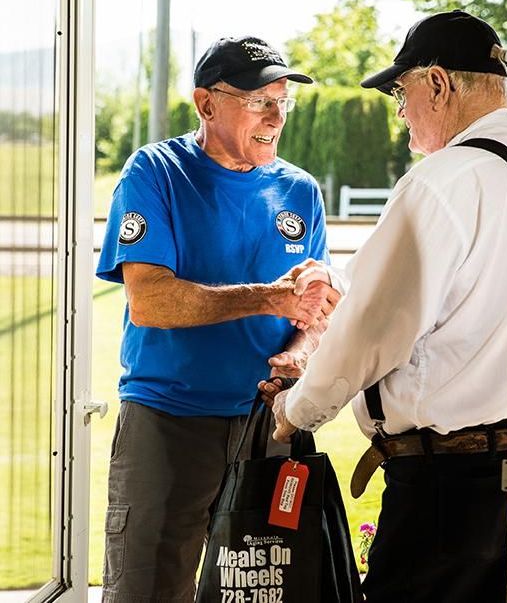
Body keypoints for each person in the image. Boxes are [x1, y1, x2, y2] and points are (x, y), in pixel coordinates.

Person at [260, 10, 507, 603]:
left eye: (401, 93)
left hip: (446, 492)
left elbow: (368, 334)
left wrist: (296, 411)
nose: (400, 114)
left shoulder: (441, 180)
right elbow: (473, 301)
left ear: (437, 84)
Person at [95, 35, 340, 602]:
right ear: (207, 103)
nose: (277, 116)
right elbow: (150, 300)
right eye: (261, 100)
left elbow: (313, 310)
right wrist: (268, 297)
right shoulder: (156, 171)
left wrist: (301, 348)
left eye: (284, 102)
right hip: (169, 423)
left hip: (270, 426)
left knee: (264, 595)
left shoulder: (299, 191)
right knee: (148, 591)